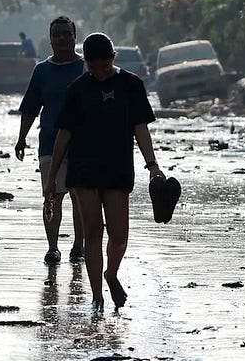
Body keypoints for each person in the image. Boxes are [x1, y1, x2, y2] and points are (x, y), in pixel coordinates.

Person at [46, 32, 161, 312]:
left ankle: (111, 273)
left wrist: (153, 166)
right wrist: (51, 180)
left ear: (113, 58)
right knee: (93, 231)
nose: (99, 72)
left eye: (105, 65)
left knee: (120, 234)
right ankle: (96, 296)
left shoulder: (131, 85)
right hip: (83, 169)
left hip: (118, 167)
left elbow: (140, 128)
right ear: (86, 63)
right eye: (93, 67)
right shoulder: (77, 89)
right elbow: (64, 133)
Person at [16, 16, 86, 265]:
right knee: (52, 197)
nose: (62, 39)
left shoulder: (86, 68)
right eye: (57, 34)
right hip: (49, 143)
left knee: (80, 197)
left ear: (75, 37)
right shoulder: (42, 70)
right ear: (50, 39)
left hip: (83, 146)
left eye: (67, 34)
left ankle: (79, 246)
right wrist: (21, 138)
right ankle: (53, 247)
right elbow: (30, 108)